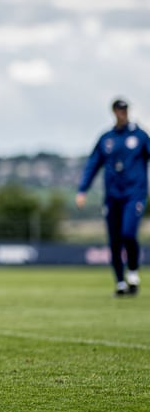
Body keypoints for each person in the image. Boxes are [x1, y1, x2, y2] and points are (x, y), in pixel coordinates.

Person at [76, 98, 149, 296]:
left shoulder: (140, 136)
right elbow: (93, 165)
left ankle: (132, 273)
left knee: (128, 233)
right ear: (113, 112)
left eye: (124, 110)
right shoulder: (106, 138)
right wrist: (82, 190)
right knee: (114, 240)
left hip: (134, 194)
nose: (121, 113)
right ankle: (120, 282)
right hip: (112, 196)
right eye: (118, 110)